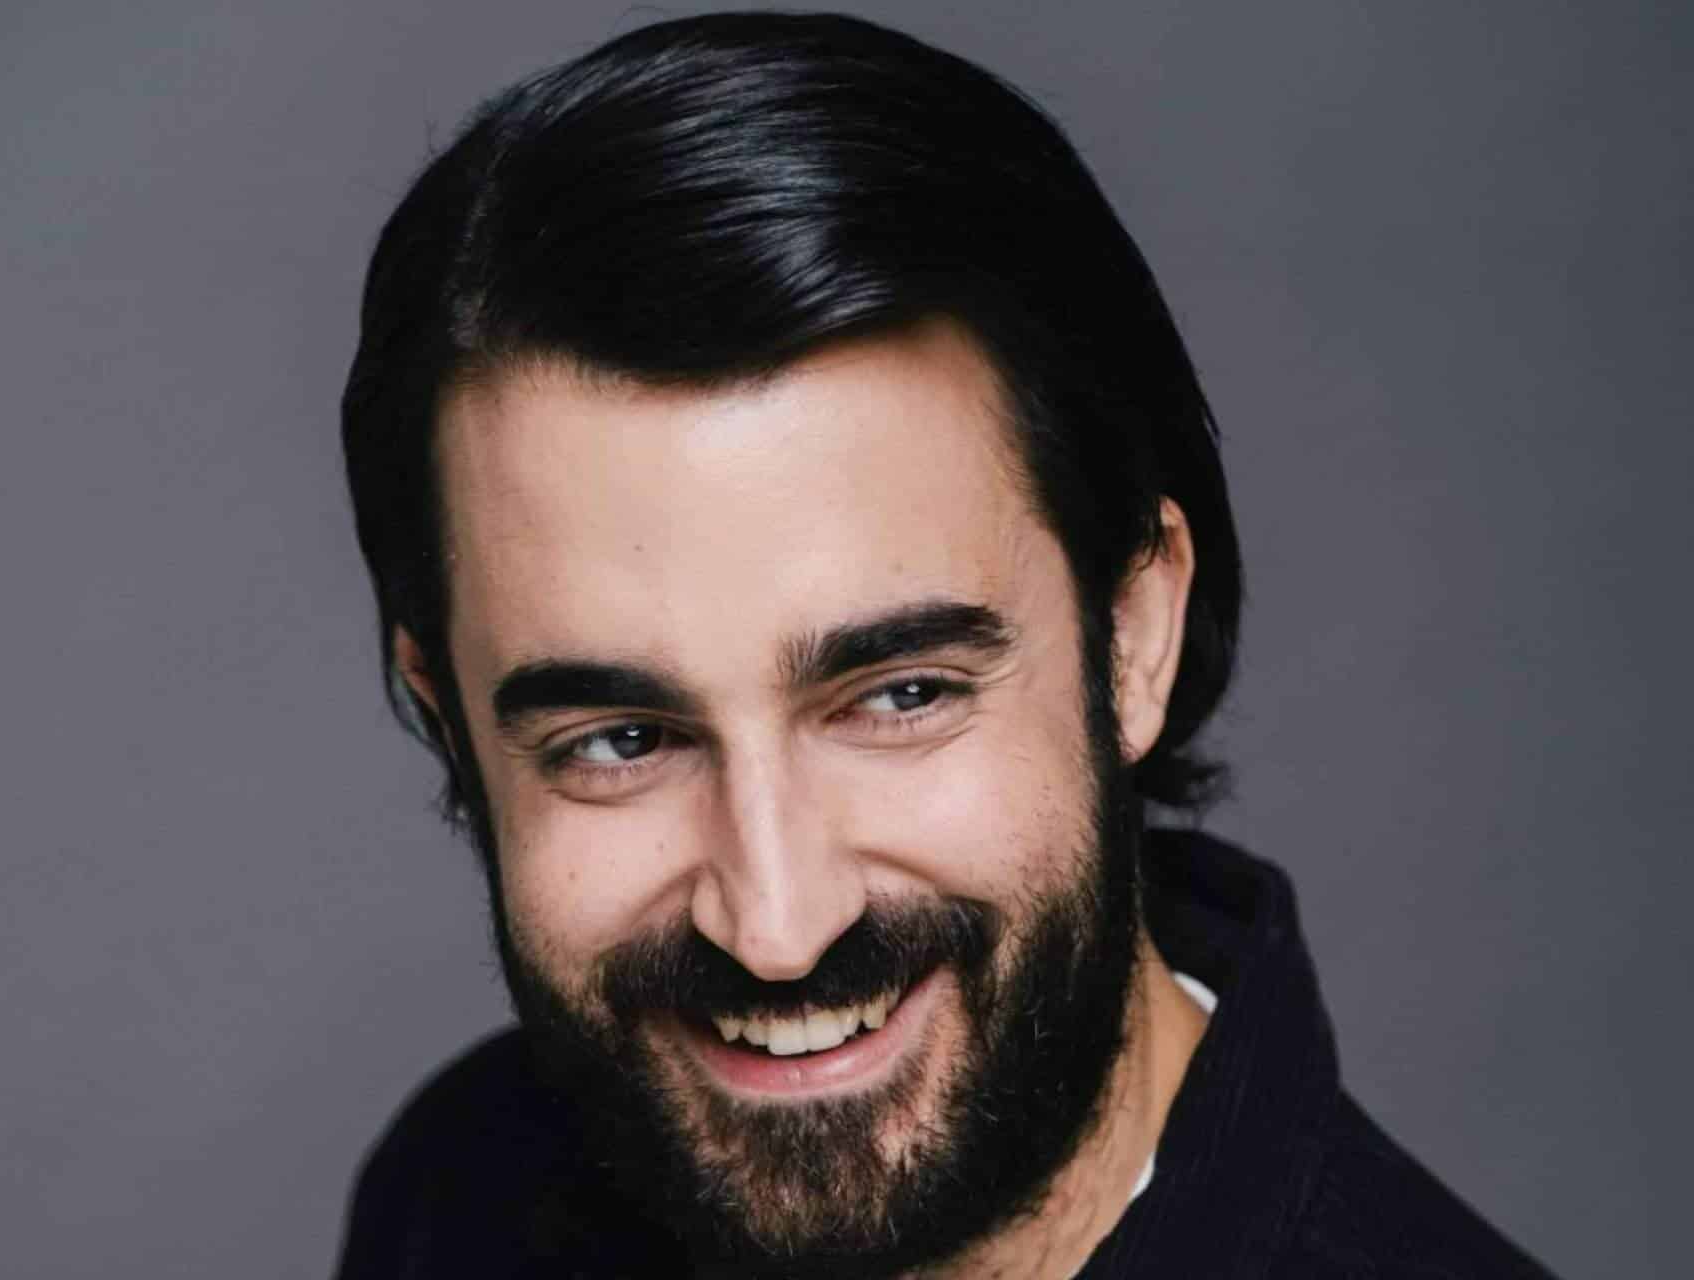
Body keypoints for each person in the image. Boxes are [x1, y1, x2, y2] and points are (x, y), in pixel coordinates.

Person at [333, 12, 1555, 1278]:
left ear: (1134, 633)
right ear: (447, 713)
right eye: (622, 739)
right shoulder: (464, 1187)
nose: (777, 926)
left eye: (903, 693)